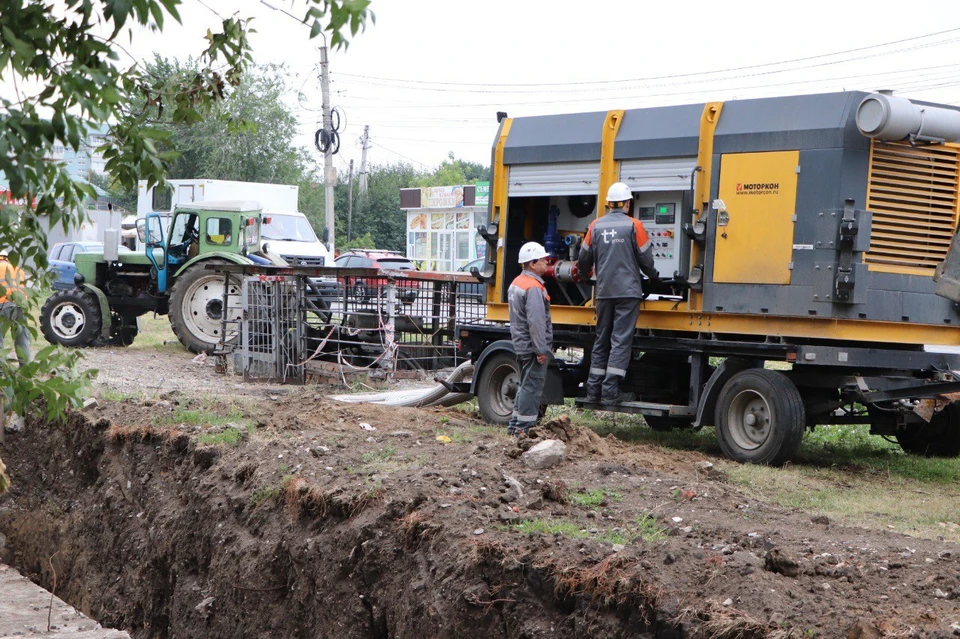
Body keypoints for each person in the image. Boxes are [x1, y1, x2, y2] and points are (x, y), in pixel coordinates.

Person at [578, 182, 660, 405]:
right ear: (627, 203)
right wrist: (653, 276)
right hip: (628, 292)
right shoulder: (634, 225)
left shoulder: (595, 226)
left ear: (607, 203)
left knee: (602, 338)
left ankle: (593, 389)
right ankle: (610, 391)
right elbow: (646, 260)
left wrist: (586, 276)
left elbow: (583, 259)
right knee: (620, 340)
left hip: (604, 291)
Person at [506, 241, 553, 435]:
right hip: (532, 347)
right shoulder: (533, 287)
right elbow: (536, 322)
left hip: (521, 344)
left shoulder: (517, 282)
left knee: (525, 385)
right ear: (532, 263)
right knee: (531, 388)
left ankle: (515, 425)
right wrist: (541, 350)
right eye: (543, 260)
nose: (547, 263)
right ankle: (523, 428)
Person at [0, 252, 31, 366]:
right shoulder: (18, 269)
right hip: (20, 305)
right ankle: (26, 368)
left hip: (3, 305)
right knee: (22, 339)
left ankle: (1, 369)